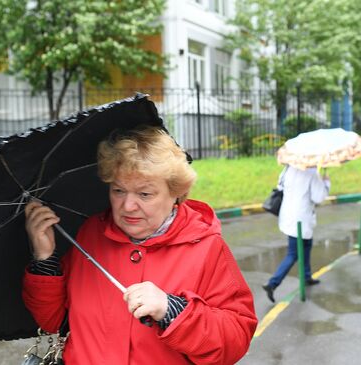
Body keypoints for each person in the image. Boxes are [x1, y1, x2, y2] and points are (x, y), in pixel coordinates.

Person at [22, 127, 257, 364]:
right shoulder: (90, 233)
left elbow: (235, 341)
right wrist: (45, 258)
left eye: (144, 194)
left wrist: (173, 311)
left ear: (176, 193)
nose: (128, 206)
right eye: (118, 190)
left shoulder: (206, 248)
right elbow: (52, 320)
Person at [262, 166, 330, 303]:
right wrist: (326, 183)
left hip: (289, 215)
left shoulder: (288, 169)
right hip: (302, 219)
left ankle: (306, 276)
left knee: (307, 244)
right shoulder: (312, 173)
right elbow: (318, 197)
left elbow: (279, 186)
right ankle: (272, 283)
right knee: (293, 254)